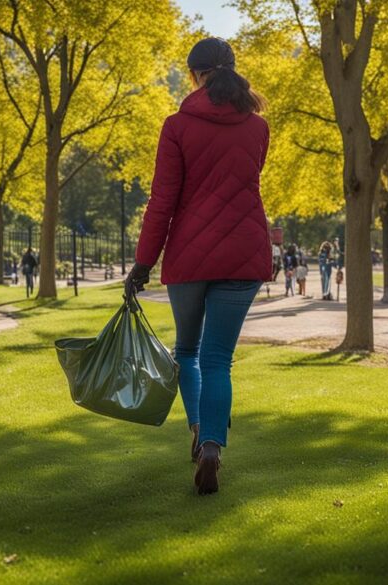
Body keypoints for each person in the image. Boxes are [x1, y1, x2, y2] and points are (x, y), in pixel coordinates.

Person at [126, 37, 270, 495]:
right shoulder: (257, 128)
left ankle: (197, 429)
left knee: (187, 352)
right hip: (244, 255)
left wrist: (142, 264)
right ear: (230, 69)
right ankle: (212, 445)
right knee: (219, 359)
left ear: (194, 75)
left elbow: (162, 202)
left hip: (189, 255)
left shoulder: (177, 126)